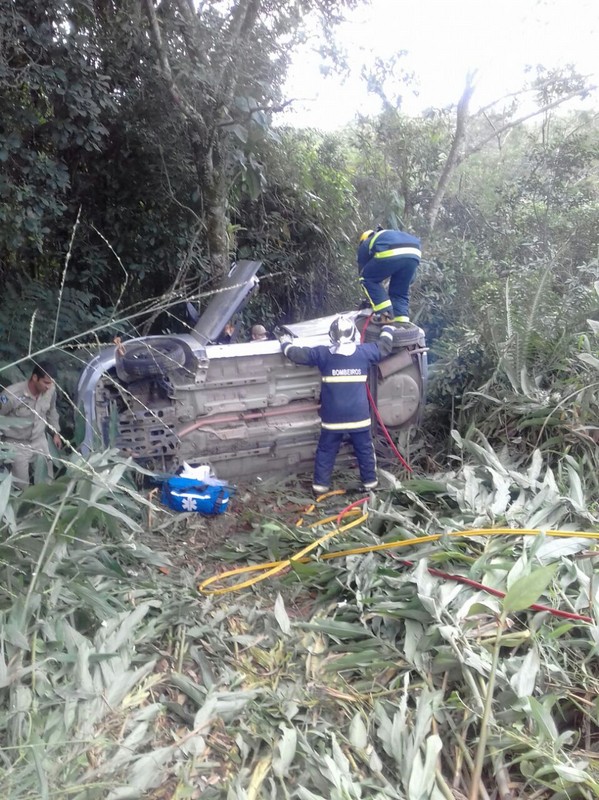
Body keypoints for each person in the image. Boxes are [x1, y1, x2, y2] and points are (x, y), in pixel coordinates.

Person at [280, 315, 394, 493]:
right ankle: (370, 483)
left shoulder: (322, 354)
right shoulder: (364, 352)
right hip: (359, 416)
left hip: (332, 417)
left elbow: (297, 354)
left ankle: (320, 486)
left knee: (326, 451)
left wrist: (285, 342)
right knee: (364, 450)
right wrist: (388, 327)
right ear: (353, 335)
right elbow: (385, 347)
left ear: (331, 336)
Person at [0, 361, 62, 488]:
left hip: (40, 441)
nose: (48, 386)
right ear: (34, 378)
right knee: (21, 485)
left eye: (50, 383)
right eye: (45, 382)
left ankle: (46, 507)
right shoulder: (11, 395)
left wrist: (55, 433)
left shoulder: (51, 389)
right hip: (16, 444)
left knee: (48, 481)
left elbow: (51, 411)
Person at [357, 227, 421, 325]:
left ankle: (385, 315)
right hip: (415, 252)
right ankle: (401, 322)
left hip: (391, 250)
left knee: (366, 279)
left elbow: (363, 272)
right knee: (400, 292)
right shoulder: (387, 235)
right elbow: (411, 279)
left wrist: (375, 297)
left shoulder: (366, 244)